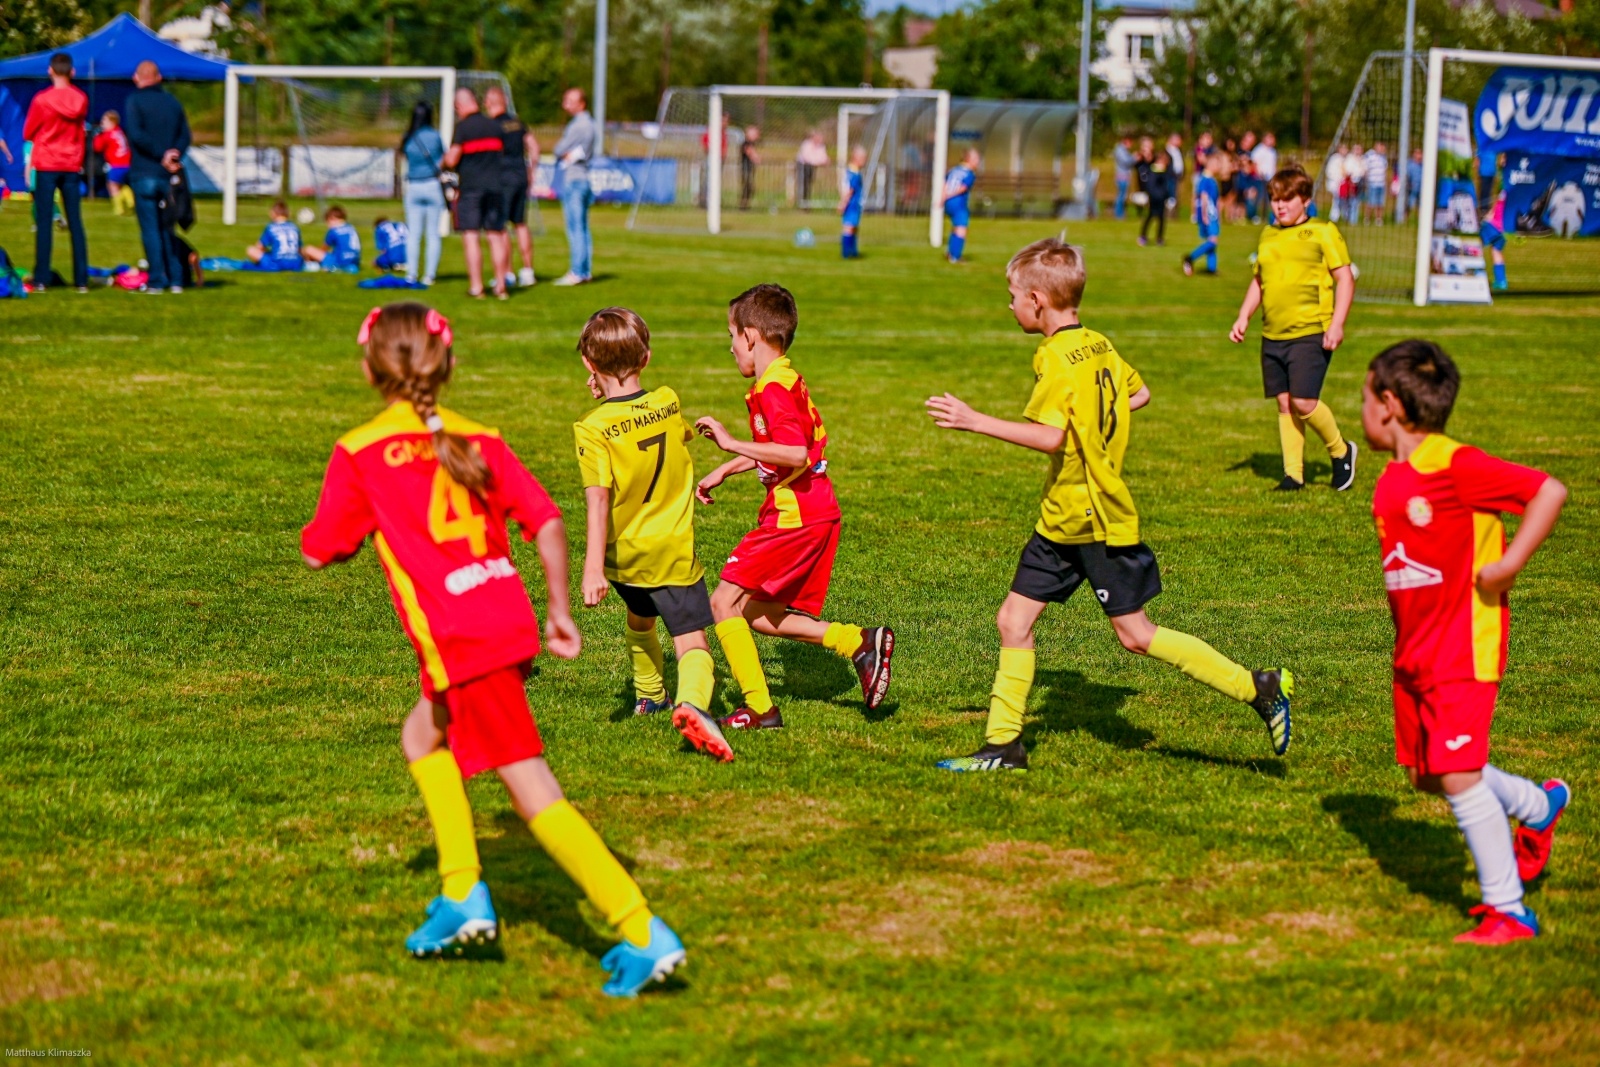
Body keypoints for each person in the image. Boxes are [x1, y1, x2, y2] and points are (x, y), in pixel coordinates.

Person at [300, 302, 687, 993]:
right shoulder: (481, 437)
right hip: (503, 620)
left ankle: (641, 930)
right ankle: (462, 895)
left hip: (464, 638)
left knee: (534, 790)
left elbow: (322, 547)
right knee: (422, 736)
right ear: (445, 366)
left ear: (369, 370)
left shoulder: (359, 452)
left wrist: (327, 542)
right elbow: (545, 518)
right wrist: (559, 610)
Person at [924, 239, 1293, 772]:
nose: (1009, 306)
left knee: (1136, 635)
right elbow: (1137, 394)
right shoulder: (1098, 343)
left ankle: (1258, 687)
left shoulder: (1053, 356)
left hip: (1094, 517)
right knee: (1013, 621)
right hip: (1061, 517)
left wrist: (975, 420)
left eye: (1011, 296)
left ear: (1036, 300)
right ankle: (1003, 746)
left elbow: (1050, 436)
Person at [1361, 339, 1570, 944]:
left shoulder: (1456, 465)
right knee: (1430, 774)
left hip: (1462, 644)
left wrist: (1506, 569)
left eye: (1365, 396)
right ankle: (1536, 806)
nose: (1363, 408)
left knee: (1455, 774)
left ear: (1391, 404)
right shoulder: (1393, 480)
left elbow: (1547, 492)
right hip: (1415, 649)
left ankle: (1509, 909)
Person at [693, 284, 895, 733]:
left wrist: (729, 441)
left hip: (794, 517)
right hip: (815, 511)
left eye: (730, 336)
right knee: (752, 612)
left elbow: (795, 451)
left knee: (723, 602)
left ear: (750, 336)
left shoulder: (774, 389)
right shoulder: (784, 377)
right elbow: (779, 446)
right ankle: (858, 642)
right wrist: (728, 468)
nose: (730, 348)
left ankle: (760, 709)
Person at [574, 307, 730, 761]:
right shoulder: (667, 399)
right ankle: (694, 705)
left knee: (641, 617)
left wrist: (591, 569)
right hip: (670, 549)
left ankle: (649, 694)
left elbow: (598, 497)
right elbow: (674, 435)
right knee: (693, 640)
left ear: (589, 364)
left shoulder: (592, 427)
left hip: (623, 555)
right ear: (646, 358)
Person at [1229, 166, 1357, 493]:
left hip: (1311, 329)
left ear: (1305, 200)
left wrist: (1337, 323)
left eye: (1287, 199)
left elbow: (1344, 278)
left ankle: (1341, 451)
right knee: (1284, 402)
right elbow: (1260, 280)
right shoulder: (1268, 235)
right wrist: (1244, 316)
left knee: (1303, 401)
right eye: (1274, 199)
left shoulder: (1323, 231)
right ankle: (1293, 475)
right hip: (1273, 334)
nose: (1279, 205)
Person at [125, 60, 192, 294]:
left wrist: (160, 154)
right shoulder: (173, 102)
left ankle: (156, 280)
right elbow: (185, 135)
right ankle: (176, 279)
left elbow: (136, 135)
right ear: (159, 77)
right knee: (168, 228)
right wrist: (174, 154)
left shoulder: (134, 102)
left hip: (145, 172)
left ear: (137, 78)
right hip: (168, 176)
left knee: (150, 229)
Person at [23, 53, 89, 293]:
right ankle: (81, 279)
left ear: (50, 70)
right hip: (71, 162)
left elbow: (29, 131)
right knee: (75, 222)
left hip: (47, 162)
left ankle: (41, 277)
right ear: (72, 72)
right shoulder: (81, 99)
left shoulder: (42, 100)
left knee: (43, 222)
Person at [442, 88, 509, 299]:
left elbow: (452, 160)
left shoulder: (463, 128)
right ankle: (501, 286)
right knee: (495, 236)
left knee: (471, 236)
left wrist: (443, 161)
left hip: (471, 189)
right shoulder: (496, 126)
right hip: (496, 188)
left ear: (459, 106)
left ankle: (477, 287)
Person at [484, 86, 538, 288]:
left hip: (502, 179)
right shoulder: (518, 123)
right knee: (520, 223)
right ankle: (528, 271)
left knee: (501, 226)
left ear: (488, 103)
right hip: (521, 176)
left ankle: (507, 272)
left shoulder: (492, 126)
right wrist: (531, 171)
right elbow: (534, 147)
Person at [551, 86, 598, 287]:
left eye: (569, 100)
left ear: (581, 103)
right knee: (583, 228)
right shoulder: (591, 124)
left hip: (575, 179)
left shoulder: (579, 125)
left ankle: (577, 272)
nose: (565, 105)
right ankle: (584, 271)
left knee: (575, 228)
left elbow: (559, 149)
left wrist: (562, 152)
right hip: (584, 178)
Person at [400, 101, 445, 287]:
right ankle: (429, 275)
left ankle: (411, 273)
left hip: (414, 186)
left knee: (414, 234)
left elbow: (404, 156)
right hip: (433, 185)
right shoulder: (434, 136)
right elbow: (443, 158)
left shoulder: (408, 137)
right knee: (433, 233)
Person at [1183, 152, 1222, 276]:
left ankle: (1211, 269)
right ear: (1211, 165)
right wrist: (1204, 215)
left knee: (1212, 242)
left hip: (1212, 215)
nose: (1219, 167)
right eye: (1218, 164)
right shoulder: (1205, 180)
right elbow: (1204, 197)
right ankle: (1190, 257)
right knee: (1213, 241)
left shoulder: (1211, 179)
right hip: (1209, 215)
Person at [940, 147, 979, 263]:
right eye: (976, 159)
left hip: (949, 202)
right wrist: (950, 195)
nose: (978, 162)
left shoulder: (954, 170)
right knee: (961, 229)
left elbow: (945, 184)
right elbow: (962, 188)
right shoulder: (969, 173)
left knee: (956, 227)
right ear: (969, 159)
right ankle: (955, 256)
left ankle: (950, 252)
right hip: (958, 202)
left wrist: (942, 198)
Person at [93, 111, 133, 216]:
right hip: (127, 163)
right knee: (121, 184)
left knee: (112, 185)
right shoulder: (119, 132)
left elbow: (97, 147)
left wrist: (97, 136)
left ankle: (119, 207)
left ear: (112, 122)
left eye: (104, 121)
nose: (102, 124)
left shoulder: (108, 134)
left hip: (116, 164)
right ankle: (130, 199)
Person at [245, 201, 304, 271]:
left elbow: (259, 247)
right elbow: (300, 250)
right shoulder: (294, 227)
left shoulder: (271, 227)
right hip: (296, 264)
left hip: (277, 264)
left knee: (250, 250)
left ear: (273, 213)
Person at [304, 205, 361, 271]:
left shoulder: (334, 230)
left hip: (340, 262)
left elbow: (323, 249)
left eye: (327, 222)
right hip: (354, 261)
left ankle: (311, 265)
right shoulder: (351, 228)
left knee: (308, 249)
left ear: (331, 218)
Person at [1136, 137, 1168, 247]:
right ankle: (1143, 236)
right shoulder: (1140, 161)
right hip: (1150, 193)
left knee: (1161, 217)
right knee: (1150, 215)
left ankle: (1159, 238)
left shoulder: (1156, 161)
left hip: (1160, 194)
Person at [837, 145, 866, 259]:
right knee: (849, 227)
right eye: (863, 159)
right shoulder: (854, 173)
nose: (865, 161)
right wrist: (843, 203)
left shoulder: (852, 171)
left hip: (855, 204)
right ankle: (846, 252)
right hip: (852, 204)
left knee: (853, 227)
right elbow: (850, 190)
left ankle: (853, 251)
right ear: (856, 158)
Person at [1479, 188, 1510, 292]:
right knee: (1496, 251)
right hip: (1505, 229)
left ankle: (1477, 273)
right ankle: (1501, 281)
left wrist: (1488, 217)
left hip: (1494, 226)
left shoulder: (1506, 190)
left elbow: (1497, 207)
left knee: (1477, 246)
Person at [796, 132, 829, 205]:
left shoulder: (821, 146)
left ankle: (806, 202)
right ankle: (802, 203)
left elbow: (823, 157)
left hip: (812, 167)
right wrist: (818, 162)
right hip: (803, 166)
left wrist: (825, 160)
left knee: (808, 184)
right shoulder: (806, 144)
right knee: (803, 184)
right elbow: (806, 157)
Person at [1363, 142, 1388, 225]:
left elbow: (1385, 170)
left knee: (1380, 203)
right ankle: (1367, 218)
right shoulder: (1369, 155)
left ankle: (1378, 219)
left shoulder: (1383, 157)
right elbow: (1365, 169)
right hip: (1372, 183)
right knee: (1371, 202)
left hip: (1381, 184)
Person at [1341, 142, 1366, 225]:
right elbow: (1347, 171)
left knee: (1356, 202)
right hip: (1350, 183)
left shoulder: (1363, 159)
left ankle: (1353, 220)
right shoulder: (1350, 159)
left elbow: (1364, 171)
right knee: (1348, 202)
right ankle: (1347, 218)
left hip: (1359, 183)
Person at [1113, 136, 1136, 219]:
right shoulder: (1120, 150)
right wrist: (1134, 158)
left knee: (1123, 195)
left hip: (1124, 176)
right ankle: (1118, 214)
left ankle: (1120, 213)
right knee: (1121, 195)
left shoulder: (1123, 150)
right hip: (1122, 176)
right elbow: (1125, 161)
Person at [739, 125, 761, 211]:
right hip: (745, 169)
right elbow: (750, 153)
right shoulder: (746, 143)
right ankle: (743, 206)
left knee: (750, 188)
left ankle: (745, 205)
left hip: (750, 169)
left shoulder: (751, 144)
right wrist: (756, 159)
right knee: (747, 187)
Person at [1405, 147, 1424, 216]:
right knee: (1408, 205)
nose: (1419, 155)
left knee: (1421, 205)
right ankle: (1404, 220)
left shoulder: (1424, 164)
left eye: (1420, 153)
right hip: (1412, 188)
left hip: (1421, 188)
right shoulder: (1410, 164)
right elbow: (1407, 175)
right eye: (1417, 153)